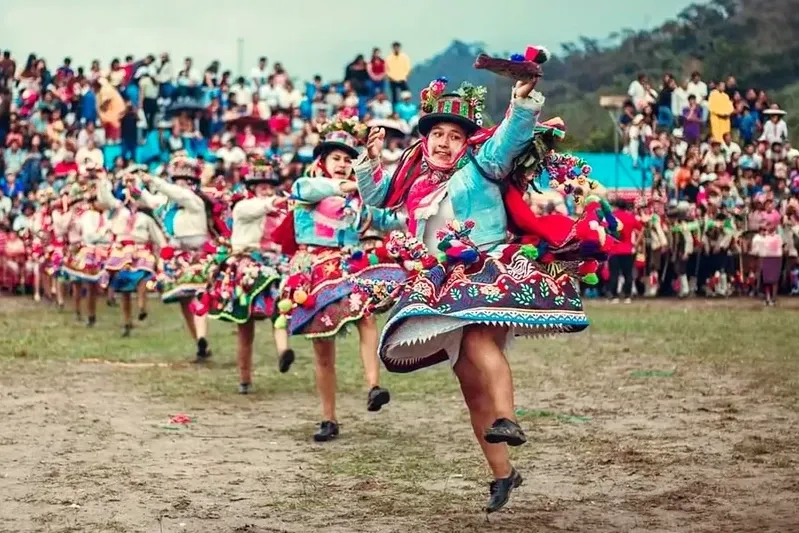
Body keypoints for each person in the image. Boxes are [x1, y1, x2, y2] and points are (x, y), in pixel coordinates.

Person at [353, 69, 616, 513]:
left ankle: (508, 418)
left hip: (487, 270)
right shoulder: (415, 180)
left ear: (466, 142)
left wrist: (521, 99)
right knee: (469, 386)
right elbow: (377, 197)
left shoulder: (482, 165)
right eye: (436, 133)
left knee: (479, 341)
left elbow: (509, 138)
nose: (443, 142)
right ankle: (503, 473)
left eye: (454, 135)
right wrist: (368, 158)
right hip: (440, 284)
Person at [273, 117, 405, 442]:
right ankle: (328, 417)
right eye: (337, 159)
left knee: (367, 317)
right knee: (323, 350)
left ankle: (374, 386)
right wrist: (346, 186)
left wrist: (420, 210)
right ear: (322, 162)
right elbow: (306, 189)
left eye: (349, 160)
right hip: (315, 270)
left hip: (349, 266)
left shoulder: (357, 201)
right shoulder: (307, 188)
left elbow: (389, 218)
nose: (344, 165)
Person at [199, 156, 294, 394]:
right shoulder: (244, 207)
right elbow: (261, 207)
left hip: (274, 263)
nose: (267, 190)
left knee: (279, 310)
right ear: (252, 188)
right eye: (262, 186)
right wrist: (278, 201)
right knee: (245, 325)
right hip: (247, 264)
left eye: (270, 186)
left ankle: (284, 352)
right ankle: (244, 378)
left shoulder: (277, 211)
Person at [140, 154, 215, 361]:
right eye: (178, 181)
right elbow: (153, 201)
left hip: (197, 256)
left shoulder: (194, 200)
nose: (180, 186)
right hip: (178, 257)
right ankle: (200, 343)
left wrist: (154, 181)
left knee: (199, 297)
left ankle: (201, 336)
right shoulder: (171, 205)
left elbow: (177, 194)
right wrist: (136, 188)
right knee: (184, 302)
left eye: (184, 182)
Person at [99, 168, 166, 336]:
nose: (131, 201)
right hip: (123, 251)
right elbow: (107, 199)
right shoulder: (118, 213)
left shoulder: (146, 218)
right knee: (124, 289)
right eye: (128, 197)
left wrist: (165, 250)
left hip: (141, 249)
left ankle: (142, 305)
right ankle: (127, 321)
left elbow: (158, 237)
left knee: (145, 273)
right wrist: (102, 180)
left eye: (134, 198)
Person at [751, 221, 783, 306]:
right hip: (766, 259)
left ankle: (773, 299)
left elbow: (778, 248)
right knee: (766, 281)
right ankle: (767, 298)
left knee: (774, 280)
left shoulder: (778, 237)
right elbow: (760, 250)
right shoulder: (763, 238)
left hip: (775, 259)